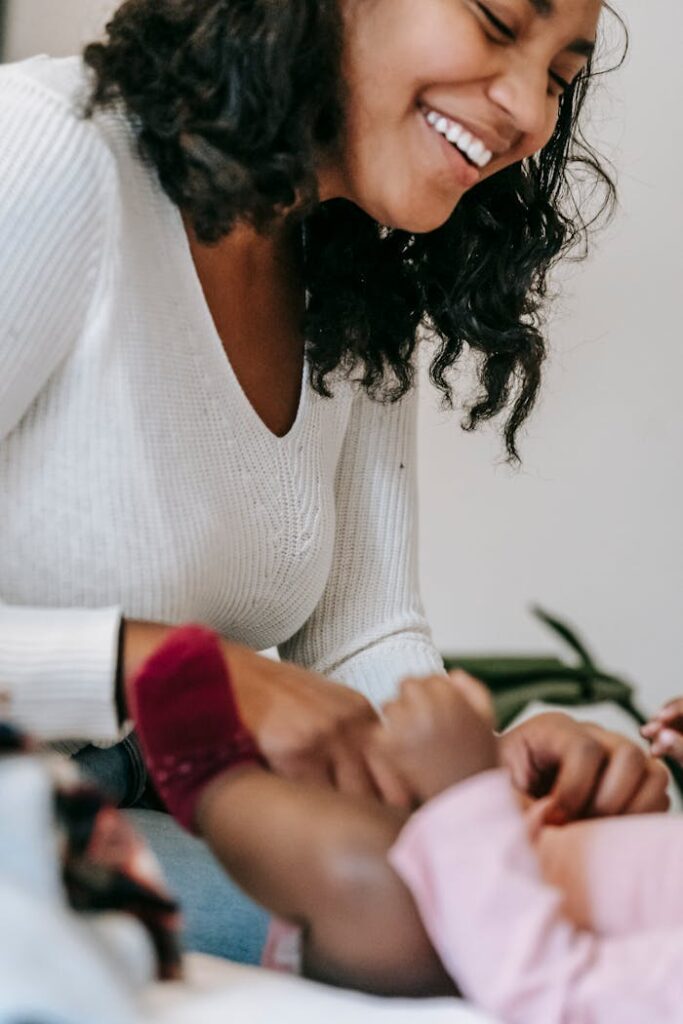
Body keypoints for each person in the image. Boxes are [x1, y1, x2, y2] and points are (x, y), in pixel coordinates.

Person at [0, 0, 668, 959]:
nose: (527, 109)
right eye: (493, 22)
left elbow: (361, 632)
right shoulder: (48, 152)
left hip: (156, 792)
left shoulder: (347, 269)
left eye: (561, 76)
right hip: (35, 798)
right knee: (438, 932)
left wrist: (477, 779)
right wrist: (164, 667)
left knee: (553, 898)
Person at [129, 626, 683, 1022]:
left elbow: (554, 993)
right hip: (500, 855)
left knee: (373, 875)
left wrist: (466, 789)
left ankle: (214, 786)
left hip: (447, 942)